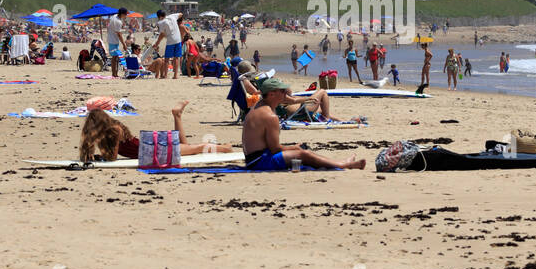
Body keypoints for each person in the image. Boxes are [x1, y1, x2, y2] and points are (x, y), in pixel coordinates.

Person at [241, 77, 365, 171]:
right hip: (260, 162)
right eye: (283, 91)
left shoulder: (261, 104)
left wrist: (307, 99)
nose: (286, 93)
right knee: (303, 154)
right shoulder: (270, 116)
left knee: (303, 152)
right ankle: (343, 164)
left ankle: (340, 162)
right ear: (272, 94)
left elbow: (292, 99)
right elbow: (275, 149)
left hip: (253, 158)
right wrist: (294, 147)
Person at [79, 101, 234, 162]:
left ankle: (225, 148)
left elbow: (112, 157)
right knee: (186, 146)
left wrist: (99, 154)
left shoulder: (114, 131)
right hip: (151, 147)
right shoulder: (112, 129)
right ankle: (177, 115)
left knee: (196, 148)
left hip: (155, 149)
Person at [152, 9, 189, 79]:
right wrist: (181, 21)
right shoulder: (172, 16)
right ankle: (175, 75)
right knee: (176, 58)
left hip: (170, 41)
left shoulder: (161, 22)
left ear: (159, 16)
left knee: (166, 59)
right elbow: (181, 14)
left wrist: (157, 43)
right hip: (178, 40)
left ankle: (165, 75)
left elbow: (162, 35)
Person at [106, 8, 127, 77]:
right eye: (125, 14)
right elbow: (119, 34)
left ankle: (115, 73)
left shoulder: (114, 16)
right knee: (114, 58)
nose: (126, 16)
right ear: (122, 14)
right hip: (113, 40)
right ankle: (114, 74)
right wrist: (124, 44)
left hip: (111, 39)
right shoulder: (118, 21)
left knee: (116, 57)